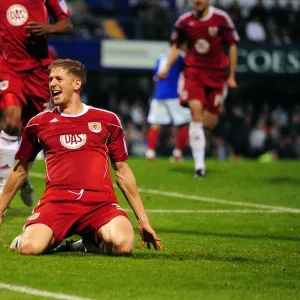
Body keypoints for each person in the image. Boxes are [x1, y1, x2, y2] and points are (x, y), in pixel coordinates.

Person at [0, 59, 162, 255]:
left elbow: (122, 172)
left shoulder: (108, 120)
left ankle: (84, 244)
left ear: (76, 84)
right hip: (57, 202)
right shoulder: (38, 123)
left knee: (123, 245)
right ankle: (26, 238)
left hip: (100, 204)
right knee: (30, 248)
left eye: (59, 78)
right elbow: (20, 170)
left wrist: (143, 221)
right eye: (50, 79)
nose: (52, 84)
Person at [0, 0, 72, 206]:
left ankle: (21, 177)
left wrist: (48, 28)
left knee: (32, 133)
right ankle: (4, 183)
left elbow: (66, 23)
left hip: (38, 69)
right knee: (12, 122)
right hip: (7, 67)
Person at [158, 0, 239, 178]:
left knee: (209, 123)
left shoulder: (221, 19)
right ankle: (199, 167)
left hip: (217, 76)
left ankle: (200, 142)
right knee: (195, 114)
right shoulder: (184, 22)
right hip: (193, 73)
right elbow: (176, 46)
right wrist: (166, 67)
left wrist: (231, 75)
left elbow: (232, 45)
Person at [145, 45, 191, 162]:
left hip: (159, 94)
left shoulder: (161, 56)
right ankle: (177, 154)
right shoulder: (181, 57)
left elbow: (156, 74)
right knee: (184, 124)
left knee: (156, 124)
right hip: (174, 94)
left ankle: (150, 153)